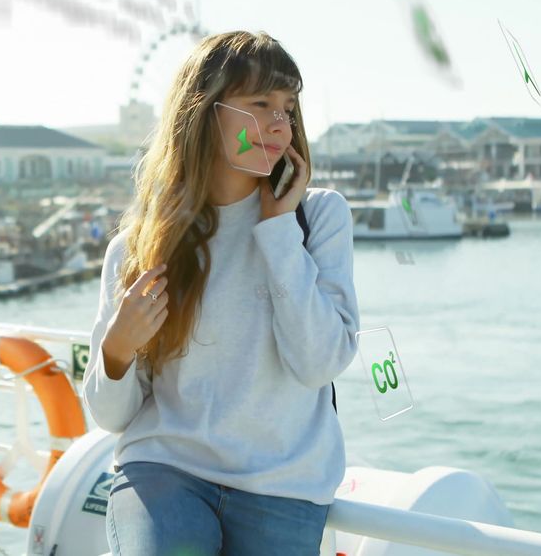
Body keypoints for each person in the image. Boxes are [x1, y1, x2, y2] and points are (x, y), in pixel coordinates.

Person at [82, 31, 360, 555]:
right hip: (165, 472)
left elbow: (319, 362)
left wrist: (279, 232)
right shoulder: (137, 247)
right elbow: (112, 416)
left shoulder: (319, 217)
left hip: (284, 486)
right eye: (260, 104)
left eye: (289, 107)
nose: (280, 124)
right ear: (206, 111)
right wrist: (117, 350)